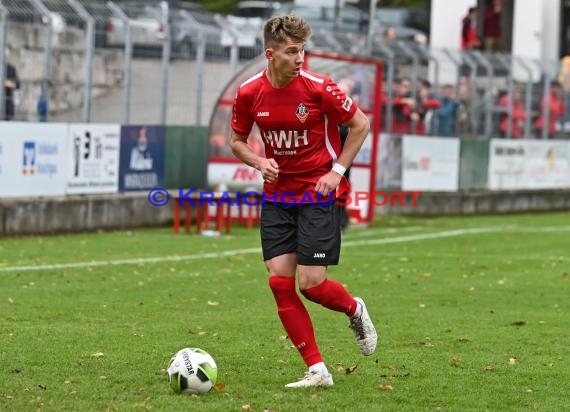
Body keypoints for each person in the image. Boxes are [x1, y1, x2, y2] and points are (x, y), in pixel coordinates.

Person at [230, 14, 377, 388]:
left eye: (303, 50)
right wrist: (259, 161)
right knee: (280, 283)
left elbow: (361, 124)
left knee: (311, 285)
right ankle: (317, 369)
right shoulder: (249, 92)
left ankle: (353, 308)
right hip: (278, 196)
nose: (300, 58)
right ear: (271, 54)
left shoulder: (319, 88)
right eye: (292, 51)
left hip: (317, 193)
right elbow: (237, 140)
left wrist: (337, 172)